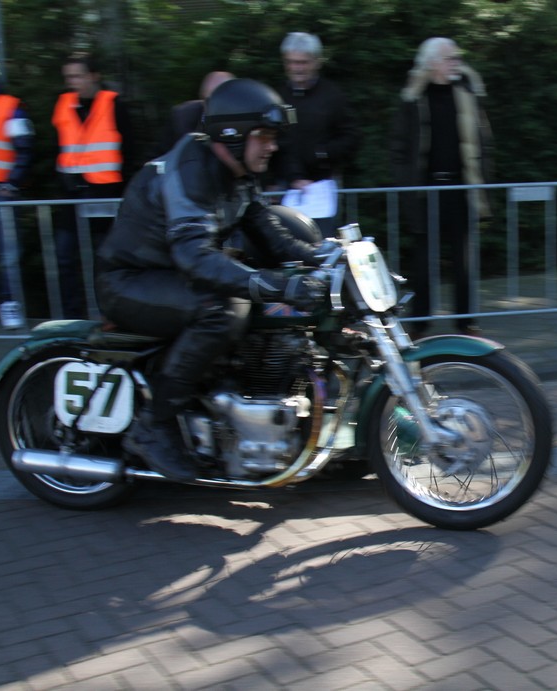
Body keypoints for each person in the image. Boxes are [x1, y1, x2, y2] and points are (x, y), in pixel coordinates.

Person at [95, 78, 325, 482]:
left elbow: (271, 236)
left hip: (169, 277)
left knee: (257, 309)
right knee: (220, 309)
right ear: (233, 134)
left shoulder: (238, 172)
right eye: (264, 136)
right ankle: (154, 424)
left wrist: (327, 256)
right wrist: (278, 286)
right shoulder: (190, 173)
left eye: (273, 137)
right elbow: (195, 257)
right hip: (130, 282)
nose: (272, 146)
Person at [390, 37, 493, 337]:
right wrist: (405, 185)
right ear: (432, 63)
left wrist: (483, 180)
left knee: (464, 262)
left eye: (457, 58)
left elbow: (484, 141)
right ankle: (420, 323)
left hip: (461, 189)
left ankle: (467, 322)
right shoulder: (413, 98)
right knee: (423, 263)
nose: (456, 63)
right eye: (450, 58)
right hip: (425, 192)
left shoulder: (467, 92)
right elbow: (398, 147)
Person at [52, 53, 134, 318]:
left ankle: (109, 315)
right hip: (71, 195)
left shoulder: (114, 104)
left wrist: (125, 193)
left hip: (105, 194)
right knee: (64, 257)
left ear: (93, 76)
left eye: (77, 76)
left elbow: (130, 151)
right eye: (68, 77)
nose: (72, 82)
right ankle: (72, 316)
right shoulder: (63, 105)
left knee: (105, 260)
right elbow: (58, 147)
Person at [275, 32, 360, 234]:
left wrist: (323, 154)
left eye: (303, 62)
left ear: (316, 62)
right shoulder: (278, 97)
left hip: (322, 188)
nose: (297, 68)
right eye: (291, 62)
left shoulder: (332, 96)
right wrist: (287, 178)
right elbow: (275, 142)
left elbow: (352, 136)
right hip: (284, 188)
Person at [0, 78, 34, 330]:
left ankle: (9, 303)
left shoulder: (9, 106)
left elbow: (25, 147)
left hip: (0, 192)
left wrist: (12, 183)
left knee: (8, 253)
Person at [156, 70, 234, 156]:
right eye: (212, 101)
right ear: (203, 100)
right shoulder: (181, 118)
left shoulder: (244, 120)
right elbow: (159, 155)